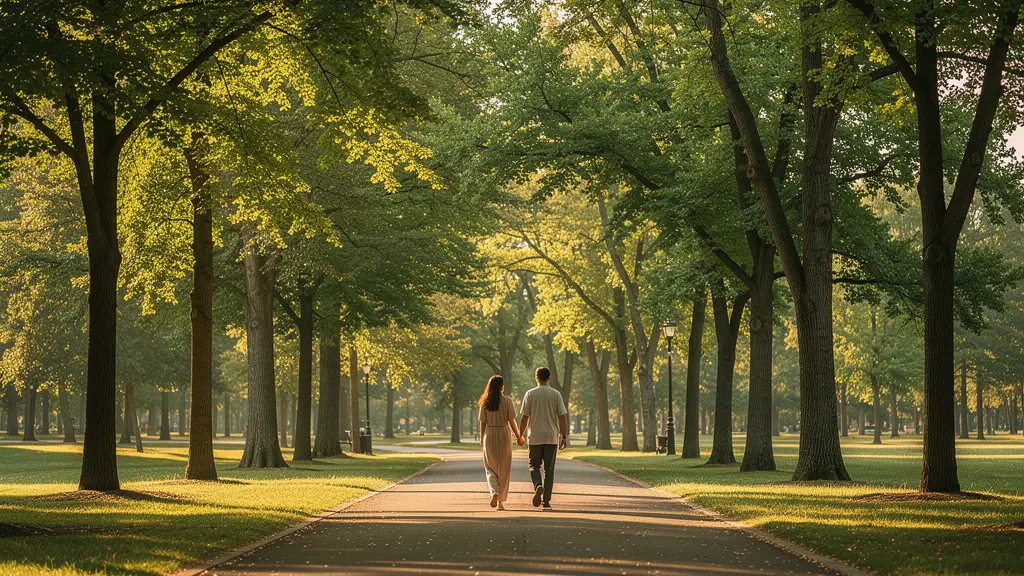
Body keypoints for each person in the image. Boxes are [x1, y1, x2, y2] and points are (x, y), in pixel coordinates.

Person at [519, 367, 567, 511]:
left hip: (535, 437)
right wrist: (563, 436)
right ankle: (546, 502)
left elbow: (525, 417)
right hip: (551, 437)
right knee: (549, 469)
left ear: (536, 377)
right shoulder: (556, 394)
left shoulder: (530, 394)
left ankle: (538, 485)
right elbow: (562, 417)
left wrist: (520, 435)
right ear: (549, 378)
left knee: (534, 465)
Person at [478, 375, 524, 510]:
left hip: (490, 434)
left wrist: (482, 438)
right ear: (501, 386)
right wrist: (518, 436)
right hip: (504, 433)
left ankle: (494, 491)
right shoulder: (507, 401)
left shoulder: (484, 402)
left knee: (490, 467)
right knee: (504, 469)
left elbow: (483, 422)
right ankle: (500, 502)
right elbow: (512, 421)